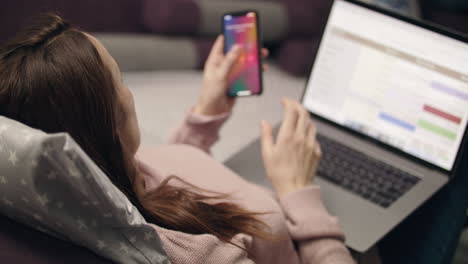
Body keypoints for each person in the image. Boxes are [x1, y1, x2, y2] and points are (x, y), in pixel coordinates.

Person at [0, 14, 356, 263]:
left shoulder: (94, 179)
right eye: (120, 80)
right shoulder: (200, 254)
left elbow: (164, 178)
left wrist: (204, 115)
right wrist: (298, 194)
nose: (128, 92)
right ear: (109, 128)